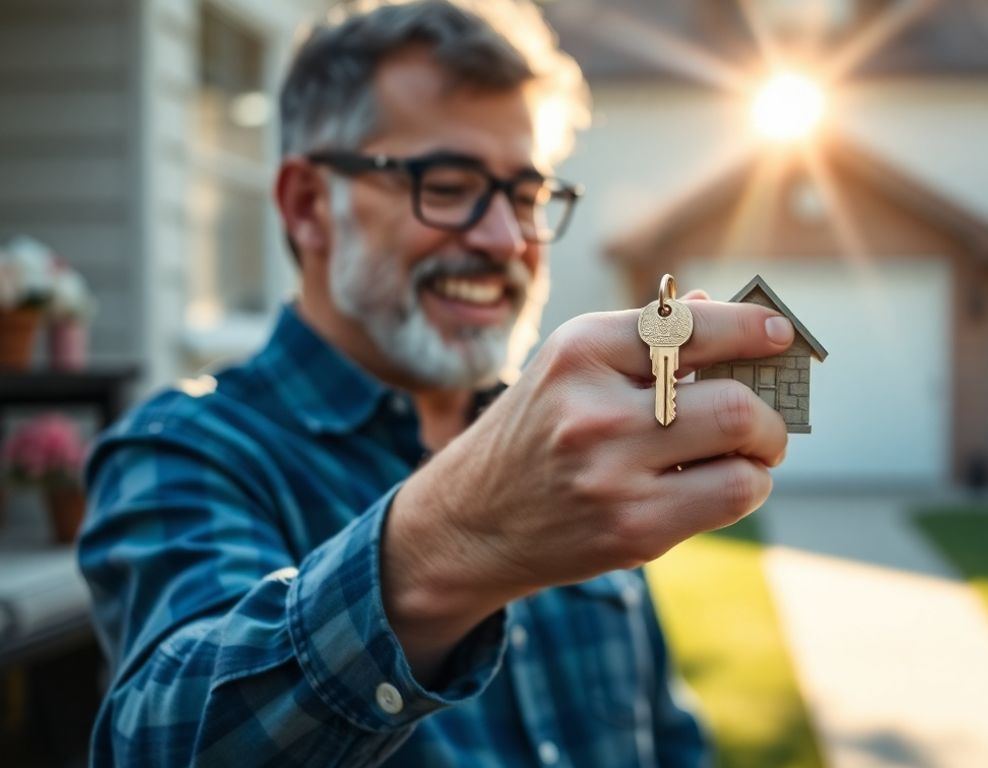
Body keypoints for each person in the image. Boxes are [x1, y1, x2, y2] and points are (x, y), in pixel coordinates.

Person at [77, 0, 795, 765]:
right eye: (448, 186)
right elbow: (162, 740)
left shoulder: (573, 446)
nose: (503, 239)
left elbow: (671, 741)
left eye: (526, 196)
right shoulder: (185, 451)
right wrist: (454, 538)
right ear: (309, 206)